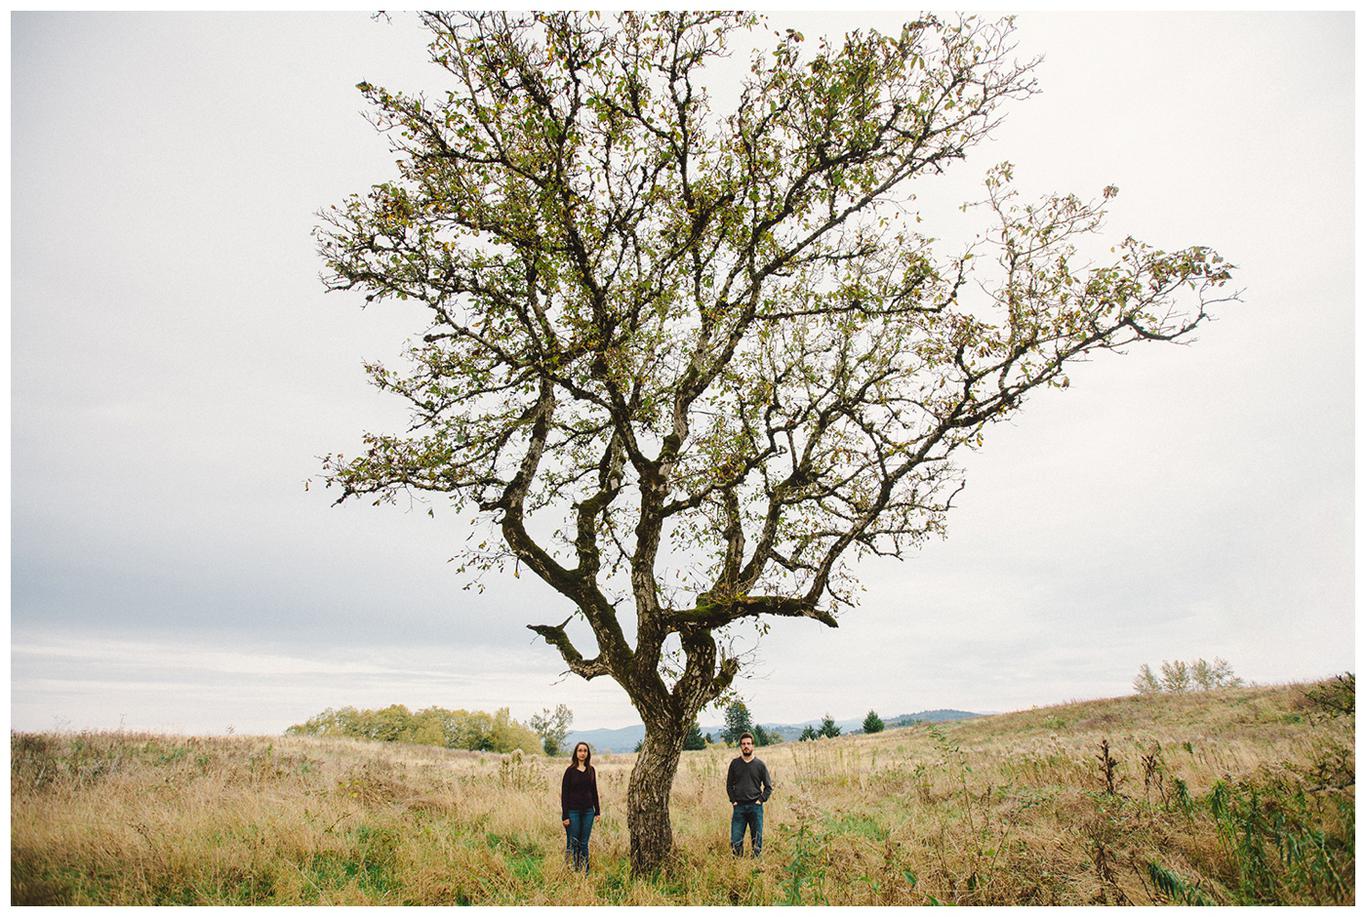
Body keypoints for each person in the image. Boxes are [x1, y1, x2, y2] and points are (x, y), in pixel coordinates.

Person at [727, 732, 772, 857]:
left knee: (757, 840)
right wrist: (734, 801)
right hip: (739, 807)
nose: (746, 746)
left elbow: (768, 787)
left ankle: (756, 867)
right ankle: (738, 867)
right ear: (740, 746)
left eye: (748, 743)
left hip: (755, 807)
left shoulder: (760, 765)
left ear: (753, 746)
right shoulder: (735, 764)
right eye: (743, 744)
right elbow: (729, 785)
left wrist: (760, 800)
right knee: (736, 841)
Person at [561, 741, 600, 873]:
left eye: (585, 751)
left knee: (584, 843)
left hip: (588, 811)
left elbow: (594, 791)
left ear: (588, 753)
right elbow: (564, 794)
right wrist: (565, 815)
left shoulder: (591, 770)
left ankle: (585, 871)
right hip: (573, 812)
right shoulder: (570, 771)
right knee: (574, 842)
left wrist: (597, 811)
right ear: (576, 753)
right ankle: (572, 869)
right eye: (580, 750)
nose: (582, 753)